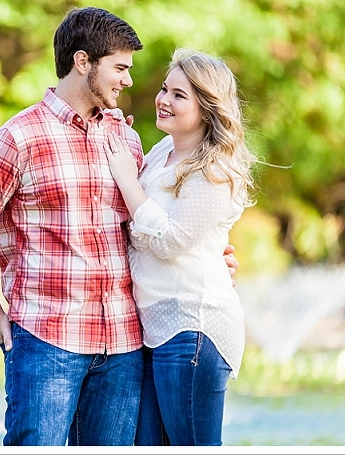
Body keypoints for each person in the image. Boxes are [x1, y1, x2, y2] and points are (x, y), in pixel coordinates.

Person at [0, 7, 237, 446]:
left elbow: (148, 227)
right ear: (83, 62)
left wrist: (209, 256)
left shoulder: (128, 139)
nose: (128, 80)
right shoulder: (18, 138)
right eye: (120, 68)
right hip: (48, 340)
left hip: (124, 343)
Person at [104, 48, 256, 446]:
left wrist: (126, 178)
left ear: (207, 109)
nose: (163, 99)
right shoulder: (160, 154)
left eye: (179, 95)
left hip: (193, 326)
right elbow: (138, 224)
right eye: (164, 89)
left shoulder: (215, 171)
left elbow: (170, 241)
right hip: (155, 328)